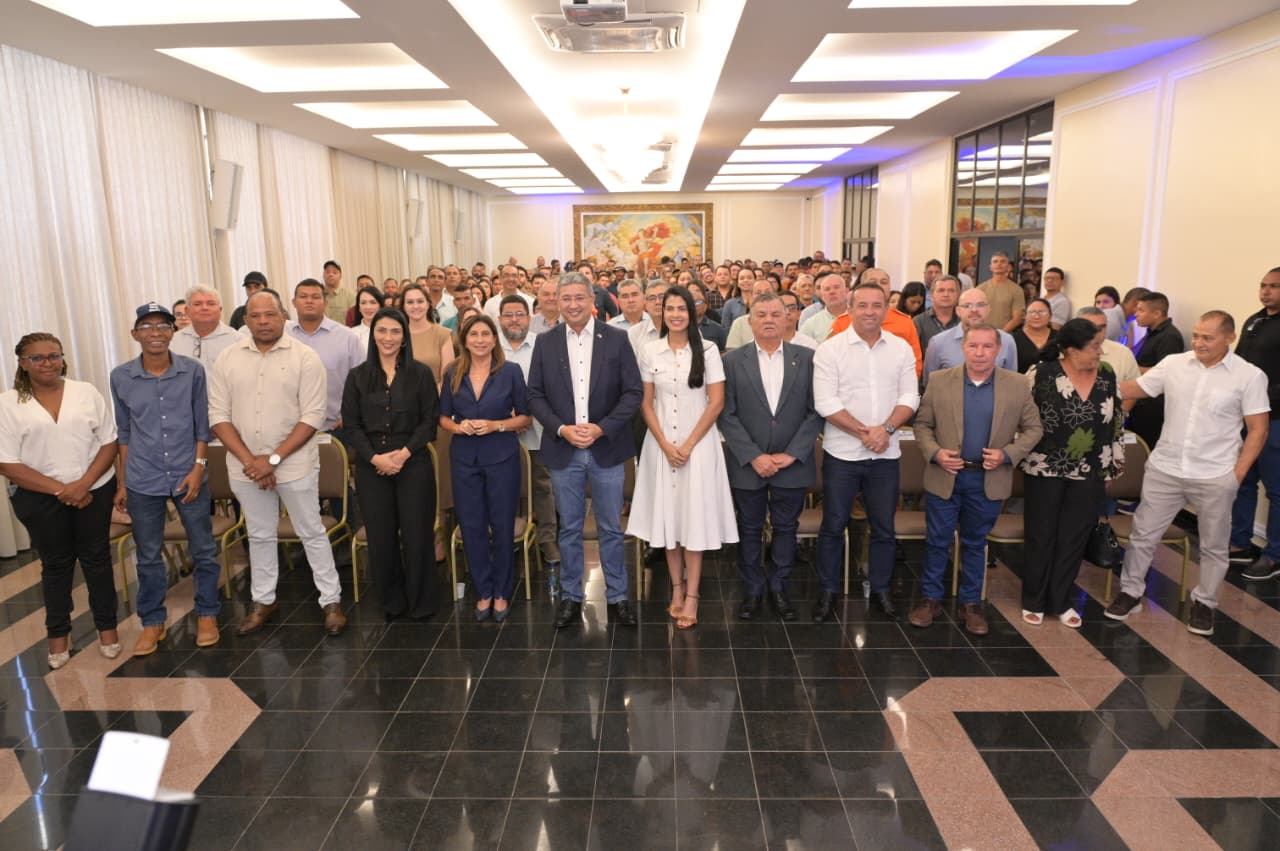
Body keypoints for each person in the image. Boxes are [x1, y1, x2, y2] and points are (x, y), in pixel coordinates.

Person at [1106, 311, 1269, 636]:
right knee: (1143, 535)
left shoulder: (1249, 376)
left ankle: (1204, 603)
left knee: (1213, 545)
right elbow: (1135, 388)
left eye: (1207, 337)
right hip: (1166, 469)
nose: (1199, 343)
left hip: (1215, 474)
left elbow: (1258, 429)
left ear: (1229, 338)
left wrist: (1236, 475)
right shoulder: (1174, 364)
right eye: (1196, 335)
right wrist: (1086, 382)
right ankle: (1130, 592)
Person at [208, 290, 346, 637]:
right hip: (245, 467)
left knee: (311, 531)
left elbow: (312, 416)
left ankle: (330, 601)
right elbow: (218, 415)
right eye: (255, 316)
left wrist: (271, 460)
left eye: (270, 314)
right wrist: (251, 461)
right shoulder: (227, 358)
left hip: (294, 464)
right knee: (259, 534)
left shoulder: (305, 358)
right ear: (246, 320)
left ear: (284, 316)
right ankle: (264, 600)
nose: (263, 322)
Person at [908, 324, 1043, 635]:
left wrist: (1007, 454)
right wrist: (936, 453)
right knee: (937, 540)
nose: (980, 353)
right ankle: (930, 599)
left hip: (987, 478)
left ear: (998, 350)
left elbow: (1034, 428)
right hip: (946, 475)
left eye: (987, 346)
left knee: (975, 543)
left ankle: (971, 603)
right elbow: (922, 425)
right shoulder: (940, 380)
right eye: (973, 346)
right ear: (963, 348)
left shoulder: (1017, 384)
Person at [527, 272, 643, 628]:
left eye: (580, 297)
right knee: (569, 529)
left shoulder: (617, 339)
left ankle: (618, 597)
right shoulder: (545, 342)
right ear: (557, 302)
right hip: (564, 449)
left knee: (611, 528)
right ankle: (571, 596)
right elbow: (535, 395)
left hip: (606, 446)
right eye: (567, 298)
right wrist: (562, 429)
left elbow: (633, 393)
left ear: (593, 300)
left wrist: (602, 427)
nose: (573, 304)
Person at [0, 333, 120, 668]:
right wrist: (64, 490)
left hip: (94, 489)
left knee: (97, 560)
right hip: (39, 497)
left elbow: (109, 443)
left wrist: (82, 485)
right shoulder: (7, 404)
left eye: (54, 355)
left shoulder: (86, 392)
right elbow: (7, 463)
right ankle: (58, 638)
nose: (47, 363)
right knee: (55, 566)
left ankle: (108, 631)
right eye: (37, 358)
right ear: (23, 363)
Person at [110, 303, 222, 654]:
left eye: (163, 326)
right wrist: (123, 483)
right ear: (135, 334)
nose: (155, 333)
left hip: (189, 473)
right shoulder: (121, 377)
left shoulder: (192, 371)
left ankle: (207, 614)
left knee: (203, 549)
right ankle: (153, 622)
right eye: (147, 326)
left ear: (174, 332)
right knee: (147, 555)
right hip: (143, 477)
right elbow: (124, 432)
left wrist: (199, 467)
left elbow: (202, 426)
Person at [628, 286, 738, 630]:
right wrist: (665, 443)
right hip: (661, 447)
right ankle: (676, 587)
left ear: (692, 313)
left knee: (693, 520)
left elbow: (716, 403)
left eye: (681, 309)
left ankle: (693, 595)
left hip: (699, 447)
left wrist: (688, 445)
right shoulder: (650, 350)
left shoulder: (708, 350)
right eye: (670, 308)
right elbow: (646, 402)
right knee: (669, 519)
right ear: (662, 312)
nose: (675, 314)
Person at [812, 282, 920, 622]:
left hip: (885, 455)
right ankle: (828, 590)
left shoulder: (901, 348)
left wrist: (885, 430)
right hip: (842, 454)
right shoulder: (830, 350)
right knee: (833, 525)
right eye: (862, 305)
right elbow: (825, 402)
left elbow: (910, 397)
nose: (870, 311)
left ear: (886, 309)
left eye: (877, 305)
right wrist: (866, 432)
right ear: (850, 309)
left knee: (884, 527)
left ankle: (881, 589)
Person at [719, 292, 823, 621]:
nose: (768, 320)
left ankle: (779, 587)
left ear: (788, 318)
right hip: (748, 464)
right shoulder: (731, 361)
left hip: (791, 464)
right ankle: (752, 590)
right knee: (749, 528)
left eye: (775, 314)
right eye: (761, 315)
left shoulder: (807, 358)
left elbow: (815, 412)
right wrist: (753, 456)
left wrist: (792, 454)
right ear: (749, 322)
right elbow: (726, 414)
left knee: (786, 527)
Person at [1020, 319, 1124, 626]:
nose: (1100, 352)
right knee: (1041, 534)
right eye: (1094, 346)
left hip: (1091, 468)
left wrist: (1112, 465)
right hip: (1044, 466)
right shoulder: (1041, 373)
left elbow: (1116, 421)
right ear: (1070, 349)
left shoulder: (1107, 374)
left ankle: (1061, 600)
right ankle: (1034, 599)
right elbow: (1022, 418)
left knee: (1074, 537)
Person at [342, 308, 441, 622]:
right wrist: (375, 458)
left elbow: (429, 421)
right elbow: (351, 426)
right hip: (371, 465)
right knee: (381, 537)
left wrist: (403, 454)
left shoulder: (420, 374)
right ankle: (392, 601)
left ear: (404, 336)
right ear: (373, 335)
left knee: (417, 534)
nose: (388, 337)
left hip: (413, 462)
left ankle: (422, 602)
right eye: (382, 331)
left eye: (395, 331)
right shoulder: (357, 376)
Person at [439, 314, 532, 620]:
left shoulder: (511, 371)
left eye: (485, 334)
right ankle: (484, 590)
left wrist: (496, 425)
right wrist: (458, 427)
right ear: (464, 340)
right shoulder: (452, 372)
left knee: (502, 525)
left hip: (502, 457)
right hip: (464, 458)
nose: (479, 340)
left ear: (494, 339)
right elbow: (443, 417)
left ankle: (502, 591)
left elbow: (525, 417)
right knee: (472, 525)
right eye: (473, 334)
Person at [498, 294, 560, 570]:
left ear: (529, 317)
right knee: (505, 487)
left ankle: (547, 540)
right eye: (508, 315)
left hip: (537, 428)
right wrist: (506, 416)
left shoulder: (542, 345)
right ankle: (509, 537)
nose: (514, 320)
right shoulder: (490, 346)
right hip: (499, 430)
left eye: (519, 314)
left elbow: (552, 386)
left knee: (543, 486)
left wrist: (527, 414)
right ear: (499, 319)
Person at [1231, 267, 1280, 577]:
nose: (1266, 291)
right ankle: (1240, 543)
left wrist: (1260, 395)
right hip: (1246, 417)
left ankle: (1274, 555)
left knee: (1276, 490)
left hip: (1275, 418)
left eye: (1274, 286)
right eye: (1263, 285)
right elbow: (1239, 364)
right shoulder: (1254, 321)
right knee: (1242, 480)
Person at [288, 279, 365, 434]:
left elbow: (364, 382)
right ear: (294, 302)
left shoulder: (347, 337)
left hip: (336, 427)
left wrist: (352, 416)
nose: (309, 301)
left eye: (315, 297)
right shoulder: (283, 336)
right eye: (303, 296)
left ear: (325, 303)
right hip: (290, 428)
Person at [922, 289, 1017, 384]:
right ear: (958, 311)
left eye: (980, 305)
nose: (974, 310)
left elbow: (1011, 383)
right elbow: (930, 384)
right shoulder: (938, 342)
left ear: (988, 309)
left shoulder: (1006, 341)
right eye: (967, 306)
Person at [1128, 291, 1184, 450]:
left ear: (1157, 313)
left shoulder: (1169, 337)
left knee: (1144, 449)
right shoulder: (1151, 334)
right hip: (1139, 402)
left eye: (1141, 310)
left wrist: (1130, 368)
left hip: (1151, 408)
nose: (1135, 314)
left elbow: (1166, 373)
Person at [170, 284, 240, 369]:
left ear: (220, 309)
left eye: (211, 304)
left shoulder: (238, 341)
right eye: (197, 304)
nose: (204, 308)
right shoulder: (172, 342)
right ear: (187, 310)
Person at [402, 283, 456, 389]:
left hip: (436, 396)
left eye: (420, 301)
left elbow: (447, 378)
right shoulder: (398, 335)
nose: (415, 306)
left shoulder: (443, 334)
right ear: (403, 306)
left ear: (428, 304)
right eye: (410, 302)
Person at [978, 251, 1025, 332]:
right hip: (982, 334)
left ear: (1009, 267)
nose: (999, 264)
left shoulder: (1017, 290)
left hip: (1005, 336)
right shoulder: (980, 289)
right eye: (995, 261)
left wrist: (1000, 334)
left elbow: (1017, 318)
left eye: (1002, 261)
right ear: (991, 267)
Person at [914, 275, 960, 356]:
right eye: (941, 290)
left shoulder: (965, 321)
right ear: (932, 296)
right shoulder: (918, 322)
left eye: (951, 290)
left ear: (958, 295)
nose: (946, 294)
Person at [1012, 298, 1058, 373]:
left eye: (1042, 312)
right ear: (1025, 315)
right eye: (1032, 312)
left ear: (1050, 316)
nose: (1037, 316)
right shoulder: (1013, 339)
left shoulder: (1060, 338)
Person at [799, 274, 848, 341]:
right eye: (827, 289)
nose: (832, 292)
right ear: (822, 296)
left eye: (836, 287)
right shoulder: (810, 324)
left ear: (846, 291)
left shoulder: (858, 317)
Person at [627, 278, 668, 354]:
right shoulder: (634, 333)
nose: (657, 302)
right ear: (645, 304)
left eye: (662, 297)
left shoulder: (682, 330)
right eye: (652, 298)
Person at [688, 281, 727, 352]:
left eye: (698, 302)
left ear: (705, 306)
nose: (694, 305)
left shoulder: (717, 329)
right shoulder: (681, 328)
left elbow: (724, 352)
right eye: (691, 302)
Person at [350, 284, 384, 354]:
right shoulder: (351, 334)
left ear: (380, 306)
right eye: (363, 303)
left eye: (373, 302)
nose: (368, 307)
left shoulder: (390, 331)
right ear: (359, 308)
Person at [322, 259, 355, 324]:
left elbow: (353, 320)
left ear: (340, 276)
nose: (331, 274)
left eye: (334, 272)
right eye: (327, 272)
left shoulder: (350, 296)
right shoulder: (317, 295)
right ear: (323, 275)